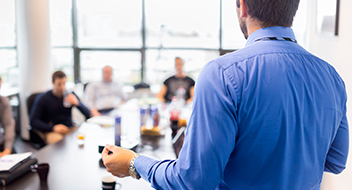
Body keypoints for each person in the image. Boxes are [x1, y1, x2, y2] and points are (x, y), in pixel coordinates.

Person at [102, 0, 349, 189]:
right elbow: (336, 161)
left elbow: (194, 182)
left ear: (242, 6)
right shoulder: (332, 76)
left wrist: (134, 163)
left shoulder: (222, 73)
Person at [30, 71, 91, 144]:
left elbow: (88, 114)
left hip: (69, 128)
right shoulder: (43, 98)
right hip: (53, 131)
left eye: (64, 84)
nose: (62, 87)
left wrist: (78, 104)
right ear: (53, 83)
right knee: (60, 145)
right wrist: (53, 128)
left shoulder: (69, 95)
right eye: (59, 84)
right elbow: (33, 121)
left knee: (83, 139)